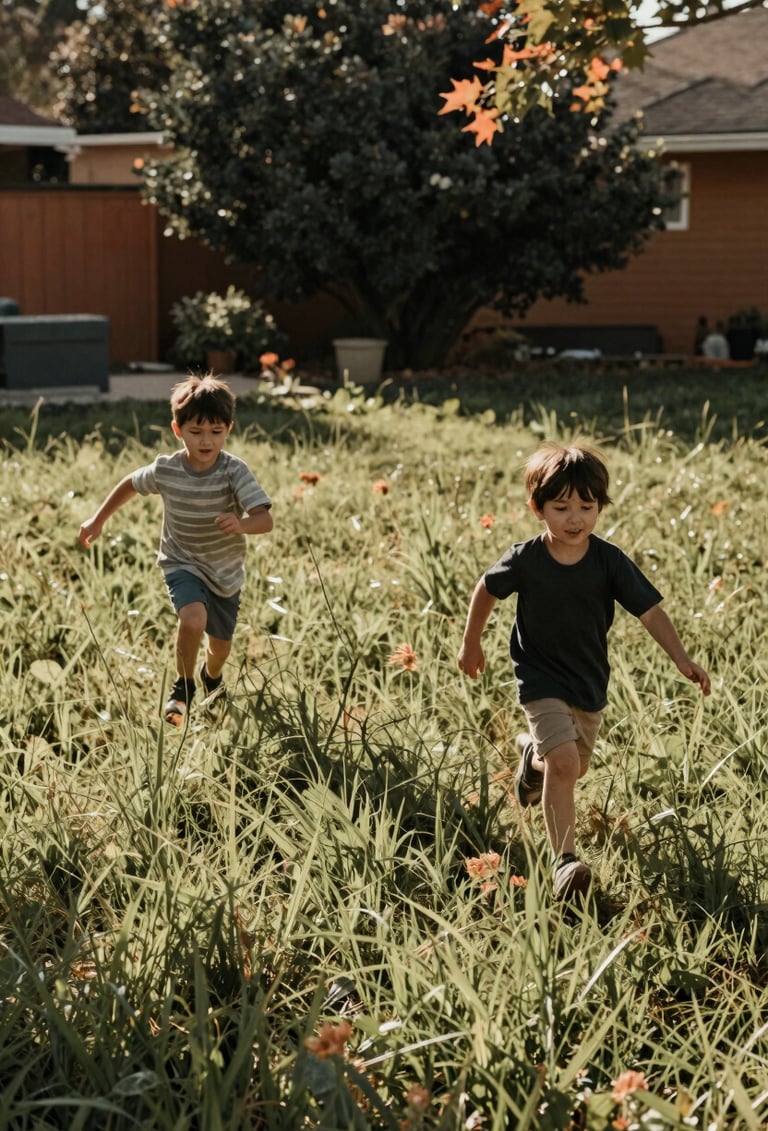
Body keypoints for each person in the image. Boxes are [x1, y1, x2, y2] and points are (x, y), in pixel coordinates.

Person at [457, 442, 710, 901]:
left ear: (599, 506)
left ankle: (531, 761)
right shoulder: (526, 558)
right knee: (567, 762)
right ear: (538, 509)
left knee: (569, 767)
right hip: (539, 676)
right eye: (561, 507)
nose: (575, 518)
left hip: (588, 682)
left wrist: (681, 657)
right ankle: (566, 861)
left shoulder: (609, 561)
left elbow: (650, 611)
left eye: (586, 506)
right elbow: (487, 588)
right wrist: (471, 641)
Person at [78, 374, 273, 725]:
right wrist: (98, 519)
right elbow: (131, 484)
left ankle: (210, 676)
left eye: (216, 431)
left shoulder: (234, 471)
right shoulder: (168, 469)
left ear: (229, 428)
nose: (206, 440)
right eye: (196, 432)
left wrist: (241, 524)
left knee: (220, 649)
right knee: (192, 619)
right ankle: (183, 686)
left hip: (225, 572)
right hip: (181, 561)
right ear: (177, 429)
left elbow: (264, 519)